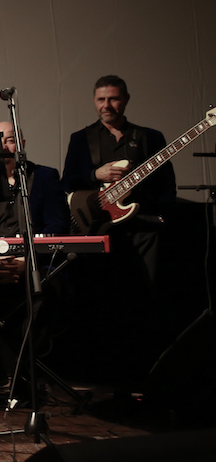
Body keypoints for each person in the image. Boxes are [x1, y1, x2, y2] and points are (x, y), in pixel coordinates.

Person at [61, 75, 175, 387]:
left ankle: (142, 377)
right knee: (102, 302)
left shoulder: (150, 137)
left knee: (143, 301)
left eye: (112, 99)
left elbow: (167, 186)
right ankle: (103, 375)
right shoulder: (81, 138)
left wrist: (159, 215)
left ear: (125, 99)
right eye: (101, 99)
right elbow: (67, 183)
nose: (106, 105)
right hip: (100, 232)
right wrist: (94, 174)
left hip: (142, 232)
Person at [0, 121, 69, 393]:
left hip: (33, 263)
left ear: (22, 145)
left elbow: (57, 225)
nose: (4, 147)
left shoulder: (44, 177)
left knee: (47, 287)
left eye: (9, 140)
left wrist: (27, 260)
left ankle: (24, 369)